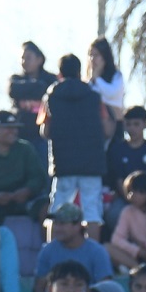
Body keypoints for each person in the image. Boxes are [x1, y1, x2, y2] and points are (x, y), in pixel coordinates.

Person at [43, 53, 109, 226]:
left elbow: (45, 130)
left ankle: (55, 250)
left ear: (60, 73)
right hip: (91, 164)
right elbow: (106, 129)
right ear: (80, 72)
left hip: (63, 164)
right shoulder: (94, 96)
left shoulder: (50, 96)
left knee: (57, 210)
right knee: (92, 211)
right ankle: (93, 252)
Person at [0, 109, 47, 220]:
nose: (13, 131)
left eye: (14, 128)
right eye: (7, 128)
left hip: (25, 201)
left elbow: (38, 177)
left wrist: (28, 190)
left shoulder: (26, 149)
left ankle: (49, 237)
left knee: (45, 206)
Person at [32, 200, 115, 287]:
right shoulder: (47, 251)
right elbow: (39, 287)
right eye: (55, 223)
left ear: (78, 226)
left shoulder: (97, 252)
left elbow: (106, 288)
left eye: (62, 224)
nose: (57, 228)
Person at [11, 42, 61, 168]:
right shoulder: (16, 79)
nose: (24, 61)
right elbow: (13, 89)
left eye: (28, 57)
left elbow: (50, 90)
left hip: (42, 137)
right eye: (22, 58)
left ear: (39, 59)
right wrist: (37, 87)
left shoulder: (50, 79)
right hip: (21, 135)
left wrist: (34, 90)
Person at [87, 38, 128, 138]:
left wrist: (97, 78)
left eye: (96, 55)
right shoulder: (90, 82)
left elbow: (111, 93)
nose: (93, 59)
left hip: (115, 126)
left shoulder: (116, 76)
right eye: (90, 55)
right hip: (95, 127)